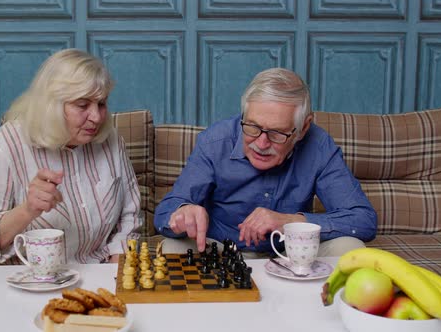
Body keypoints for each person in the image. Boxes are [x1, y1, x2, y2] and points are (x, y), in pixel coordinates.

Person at [154, 68, 377, 258]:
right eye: (252, 126)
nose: (261, 143)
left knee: (351, 249)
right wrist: (183, 213)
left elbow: (363, 220)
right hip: (220, 251)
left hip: (292, 250)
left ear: (304, 128)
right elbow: (165, 212)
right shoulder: (215, 141)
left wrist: (290, 222)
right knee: (174, 247)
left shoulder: (318, 146)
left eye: (277, 133)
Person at [0, 49, 142, 264]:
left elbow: (130, 216)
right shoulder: (10, 142)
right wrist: (28, 210)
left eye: (101, 104)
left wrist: (116, 272)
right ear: (53, 105)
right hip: (30, 281)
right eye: (83, 105)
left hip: (99, 273)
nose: (96, 117)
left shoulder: (111, 140)